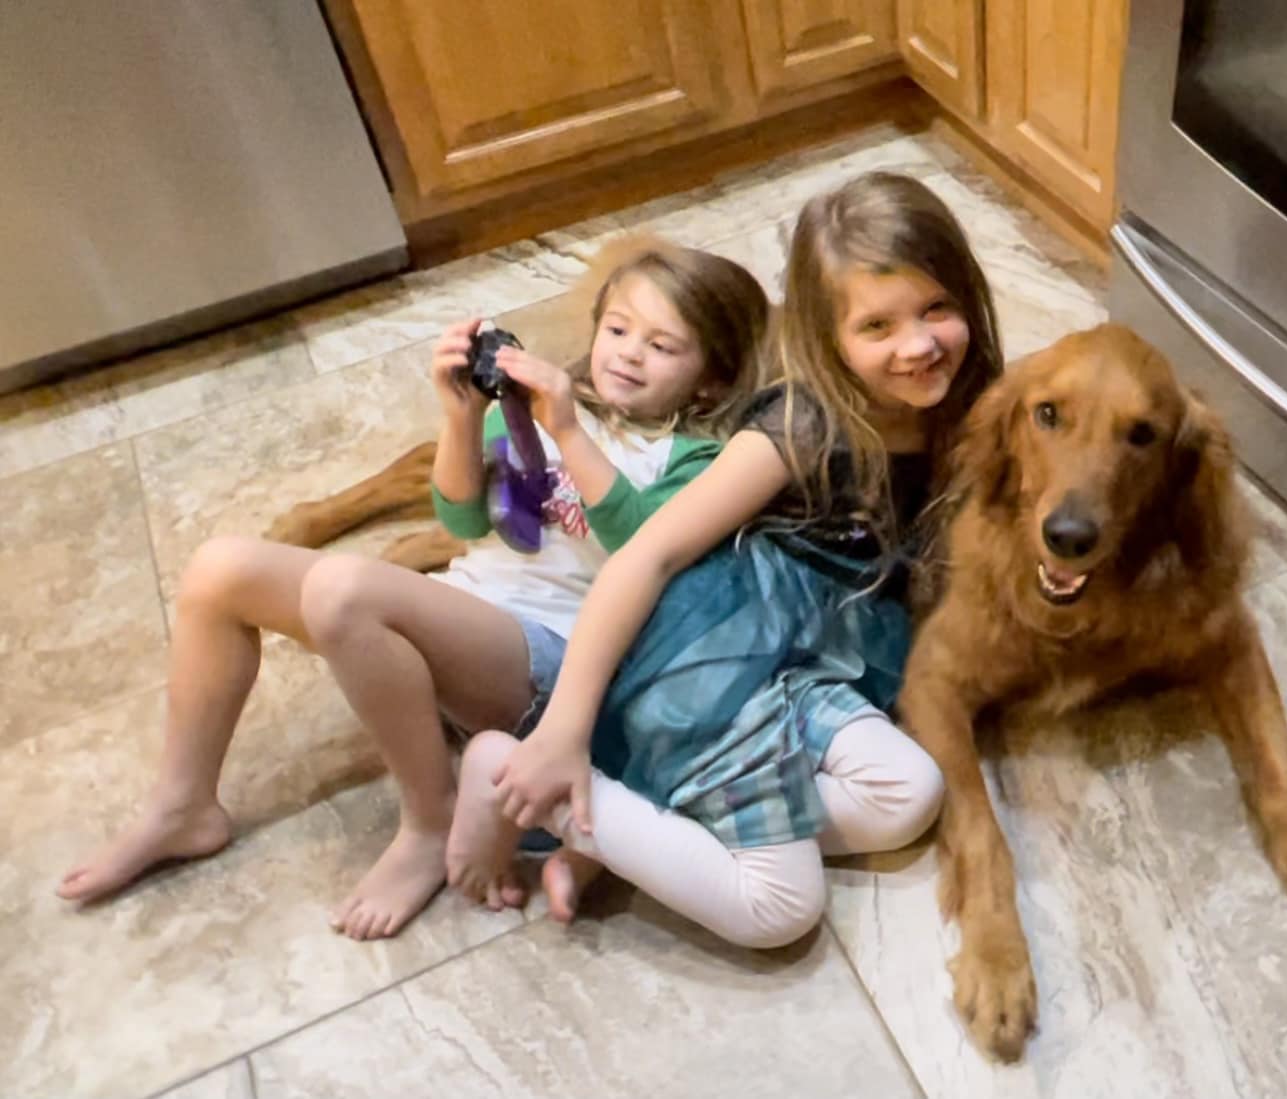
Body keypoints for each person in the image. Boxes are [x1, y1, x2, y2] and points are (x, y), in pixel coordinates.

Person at [56, 236, 768, 941]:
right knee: (219, 569)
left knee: (343, 589)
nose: (627, 353)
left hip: (550, 666)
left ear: (710, 379)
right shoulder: (530, 409)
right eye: (617, 329)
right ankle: (185, 805)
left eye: (662, 346)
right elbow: (460, 516)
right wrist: (461, 415)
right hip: (466, 616)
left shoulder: (695, 460)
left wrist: (569, 432)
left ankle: (429, 820)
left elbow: (639, 546)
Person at [451, 172, 1001, 948]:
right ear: (827, 339)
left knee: (910, 794)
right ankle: (515, 776)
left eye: (936, 308)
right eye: (877, 326)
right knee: (779, 910)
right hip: (716, 659)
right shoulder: (800, 425)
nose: (917, 344)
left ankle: (635, 837)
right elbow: (646, 554)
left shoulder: (972, 398)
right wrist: (564, 730)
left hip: (815, 660)